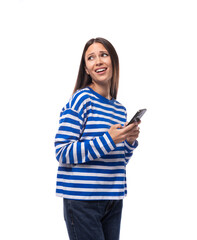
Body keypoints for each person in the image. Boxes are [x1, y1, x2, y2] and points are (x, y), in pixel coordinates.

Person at [54, 37, 141, 240]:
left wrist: (128, 143)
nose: (98, 61)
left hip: (112, 198)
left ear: (114, 61)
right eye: (91, 58)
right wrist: (109, 139)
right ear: (86, 69)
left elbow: (116, 160)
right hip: (82, 201)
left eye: (103, 55)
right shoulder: (81, 100)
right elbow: (62, 151)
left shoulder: (119, 109)